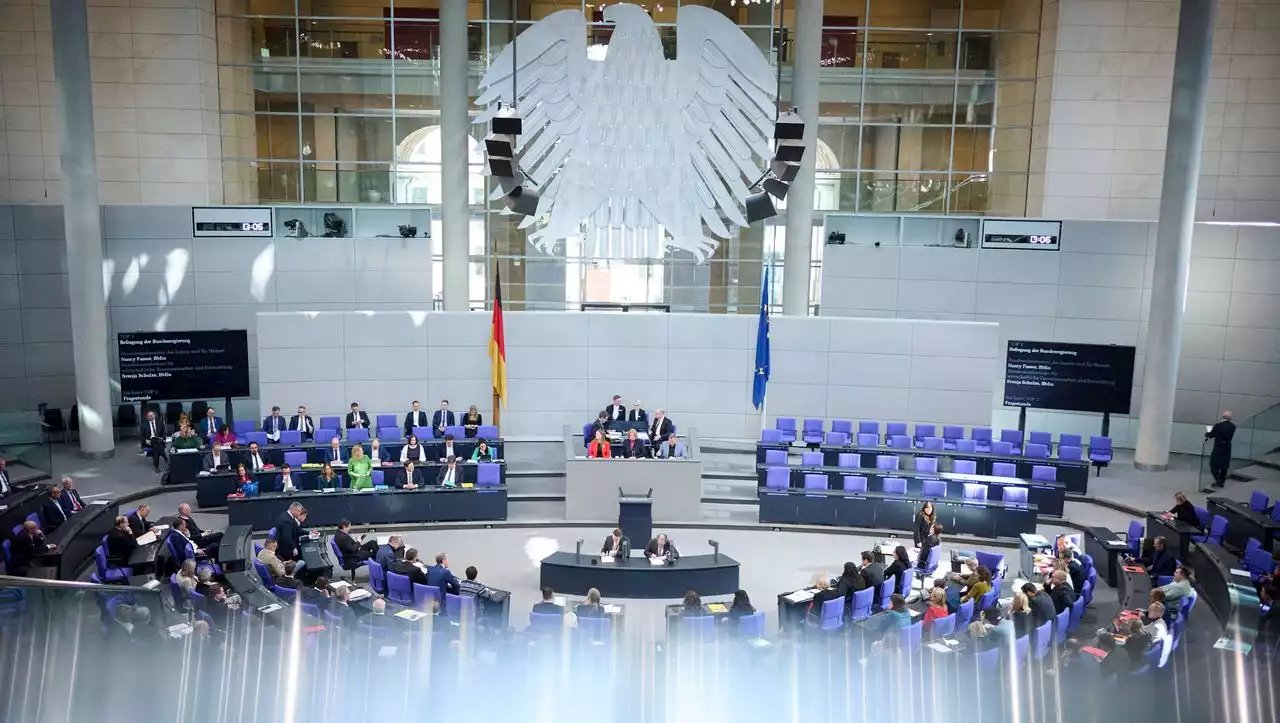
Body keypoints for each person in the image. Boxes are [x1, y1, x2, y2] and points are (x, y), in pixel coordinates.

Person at [1205, 410, 1236, 488]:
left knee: (1213, 465)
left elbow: (1211, 435)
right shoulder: (1233, 426)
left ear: (1223, 417)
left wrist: (1207, 433)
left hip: (1218, 448)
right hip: (1227, 448)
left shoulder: (1218, 426)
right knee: (1224, 466)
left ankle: (1218, 480)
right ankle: (1222, 481)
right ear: (1230, 418)